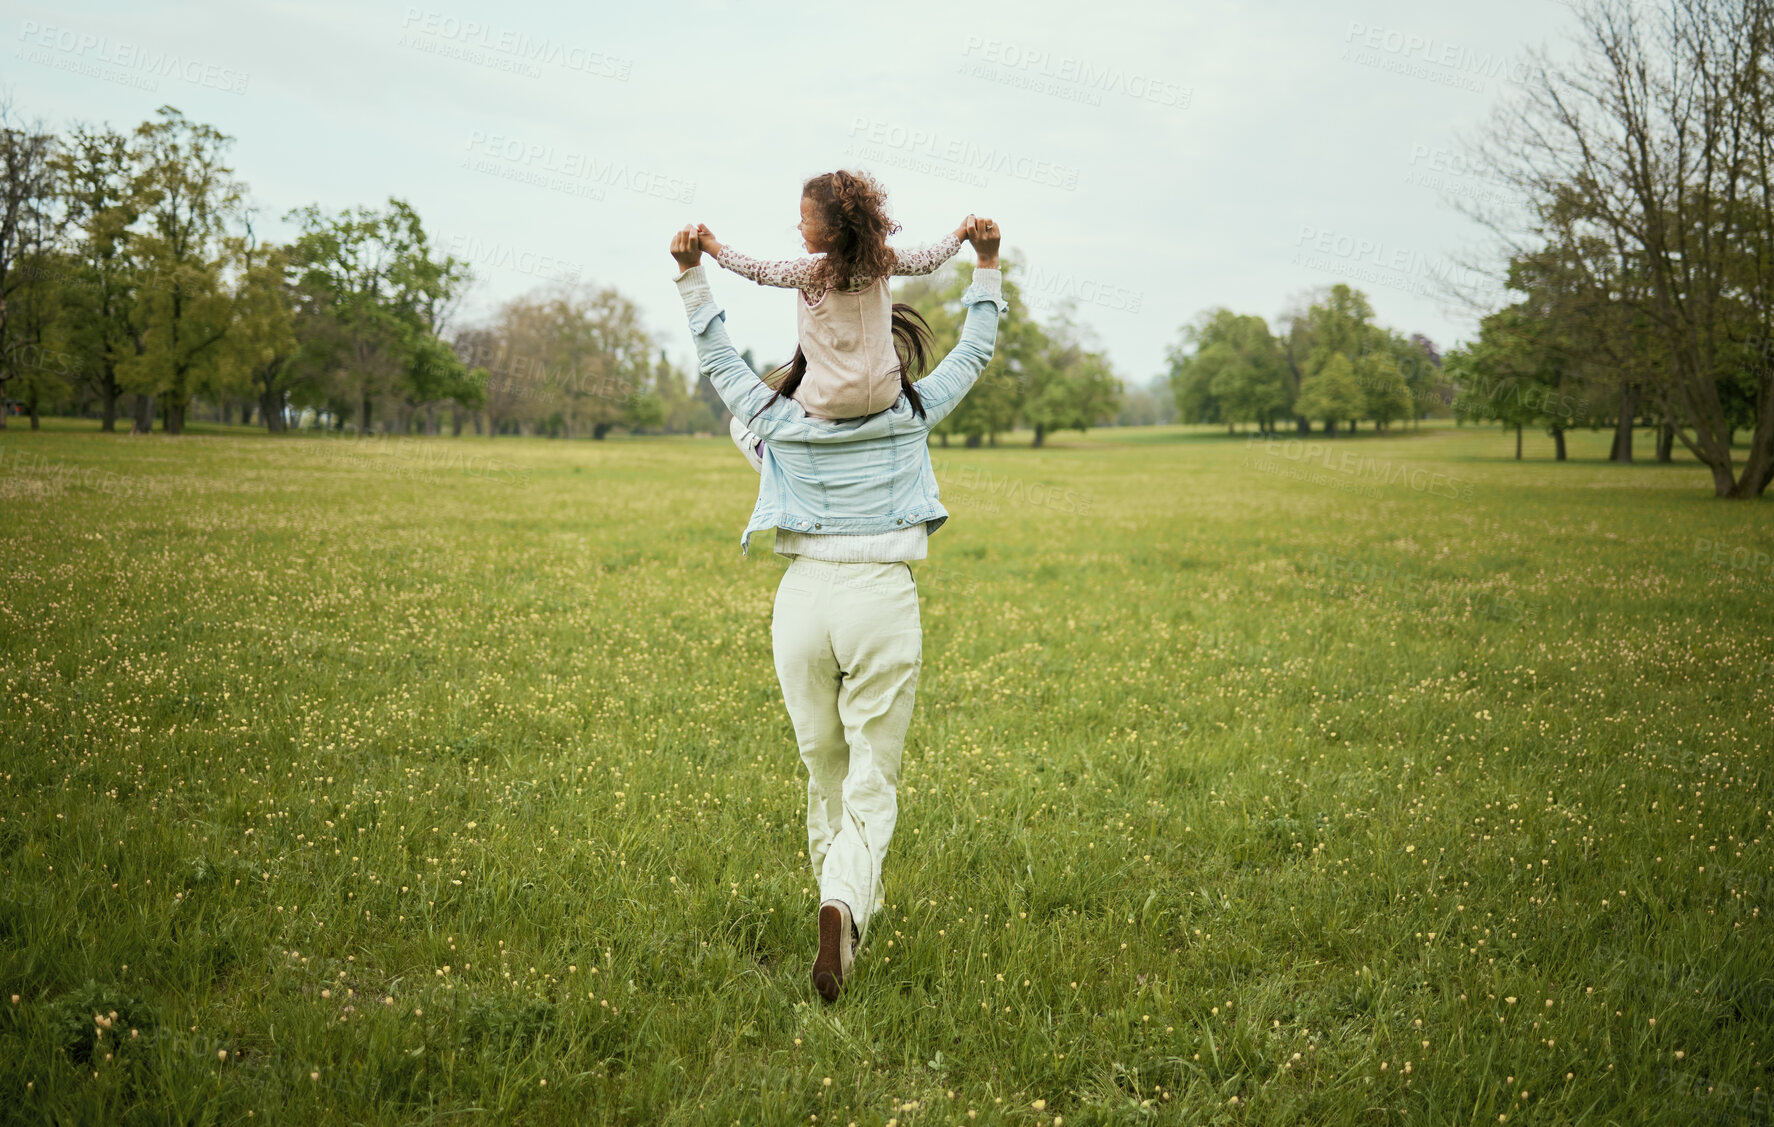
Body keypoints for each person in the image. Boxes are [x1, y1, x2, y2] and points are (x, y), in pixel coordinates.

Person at [667, 217, 1006, 1002]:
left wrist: (693, 274)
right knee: (871, 775)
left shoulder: (776, 421)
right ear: (886, 349)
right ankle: (843, 902)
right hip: (881, 594)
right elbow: (976, 350)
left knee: (825, 766)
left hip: (801, 602)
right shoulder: (910, 414)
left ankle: (844, 914)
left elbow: (718, 357)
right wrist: (985, 264)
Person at [696, 169, 973, 421]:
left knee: (768, 416)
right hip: (885, 393)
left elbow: (757, 270)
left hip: (830, 401)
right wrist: (960, 234)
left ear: (831, 233)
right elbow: (929, 259)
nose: (799, 226)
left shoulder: (811, 272)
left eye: (804, 220)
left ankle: (764, 450)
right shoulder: (883, 262)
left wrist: (712, 247)